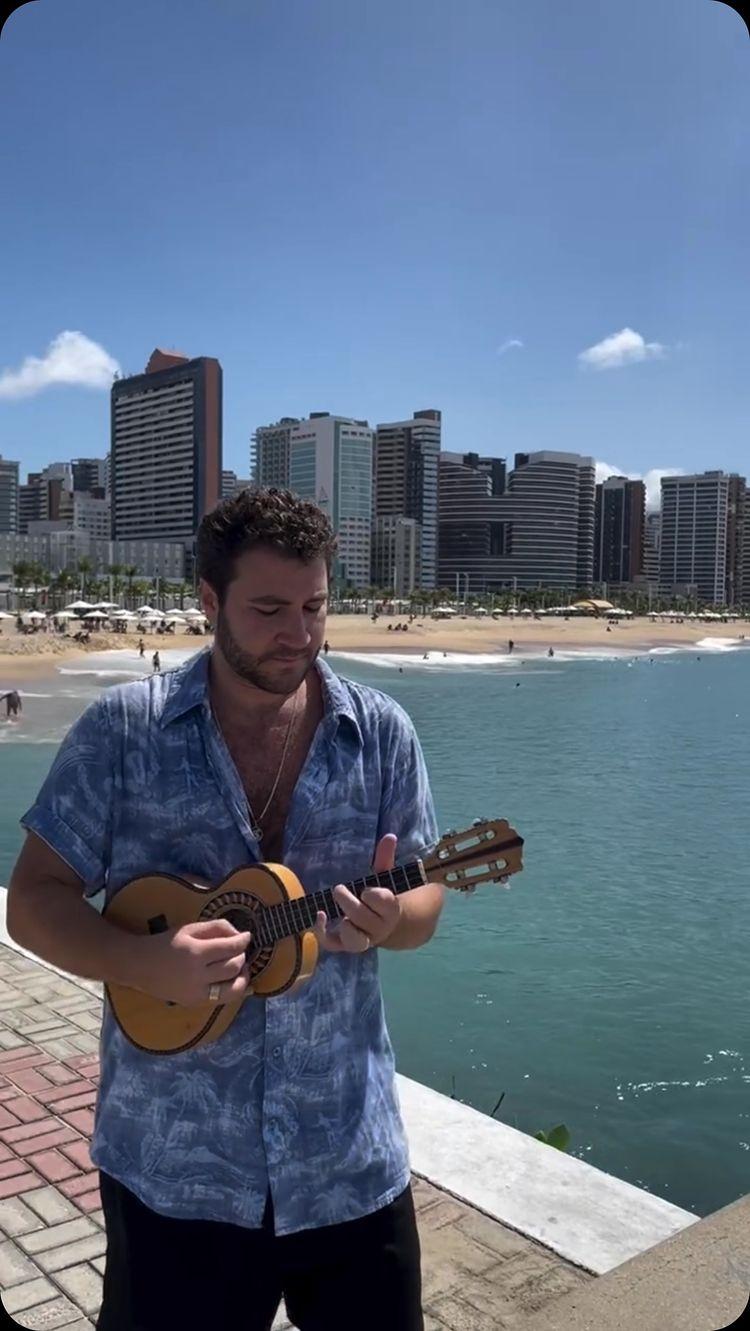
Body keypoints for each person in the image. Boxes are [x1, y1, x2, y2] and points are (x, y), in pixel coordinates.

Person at [6, 487, 443, 1331]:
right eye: (271, 608)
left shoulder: (382, 731)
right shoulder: (121, 733)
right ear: (208, 601)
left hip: (347, 1159)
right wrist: (143, 961)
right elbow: (31, 902)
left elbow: (425, 898)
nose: (301, 634)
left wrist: (397, 919)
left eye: (316, 605)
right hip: (175, 1165)